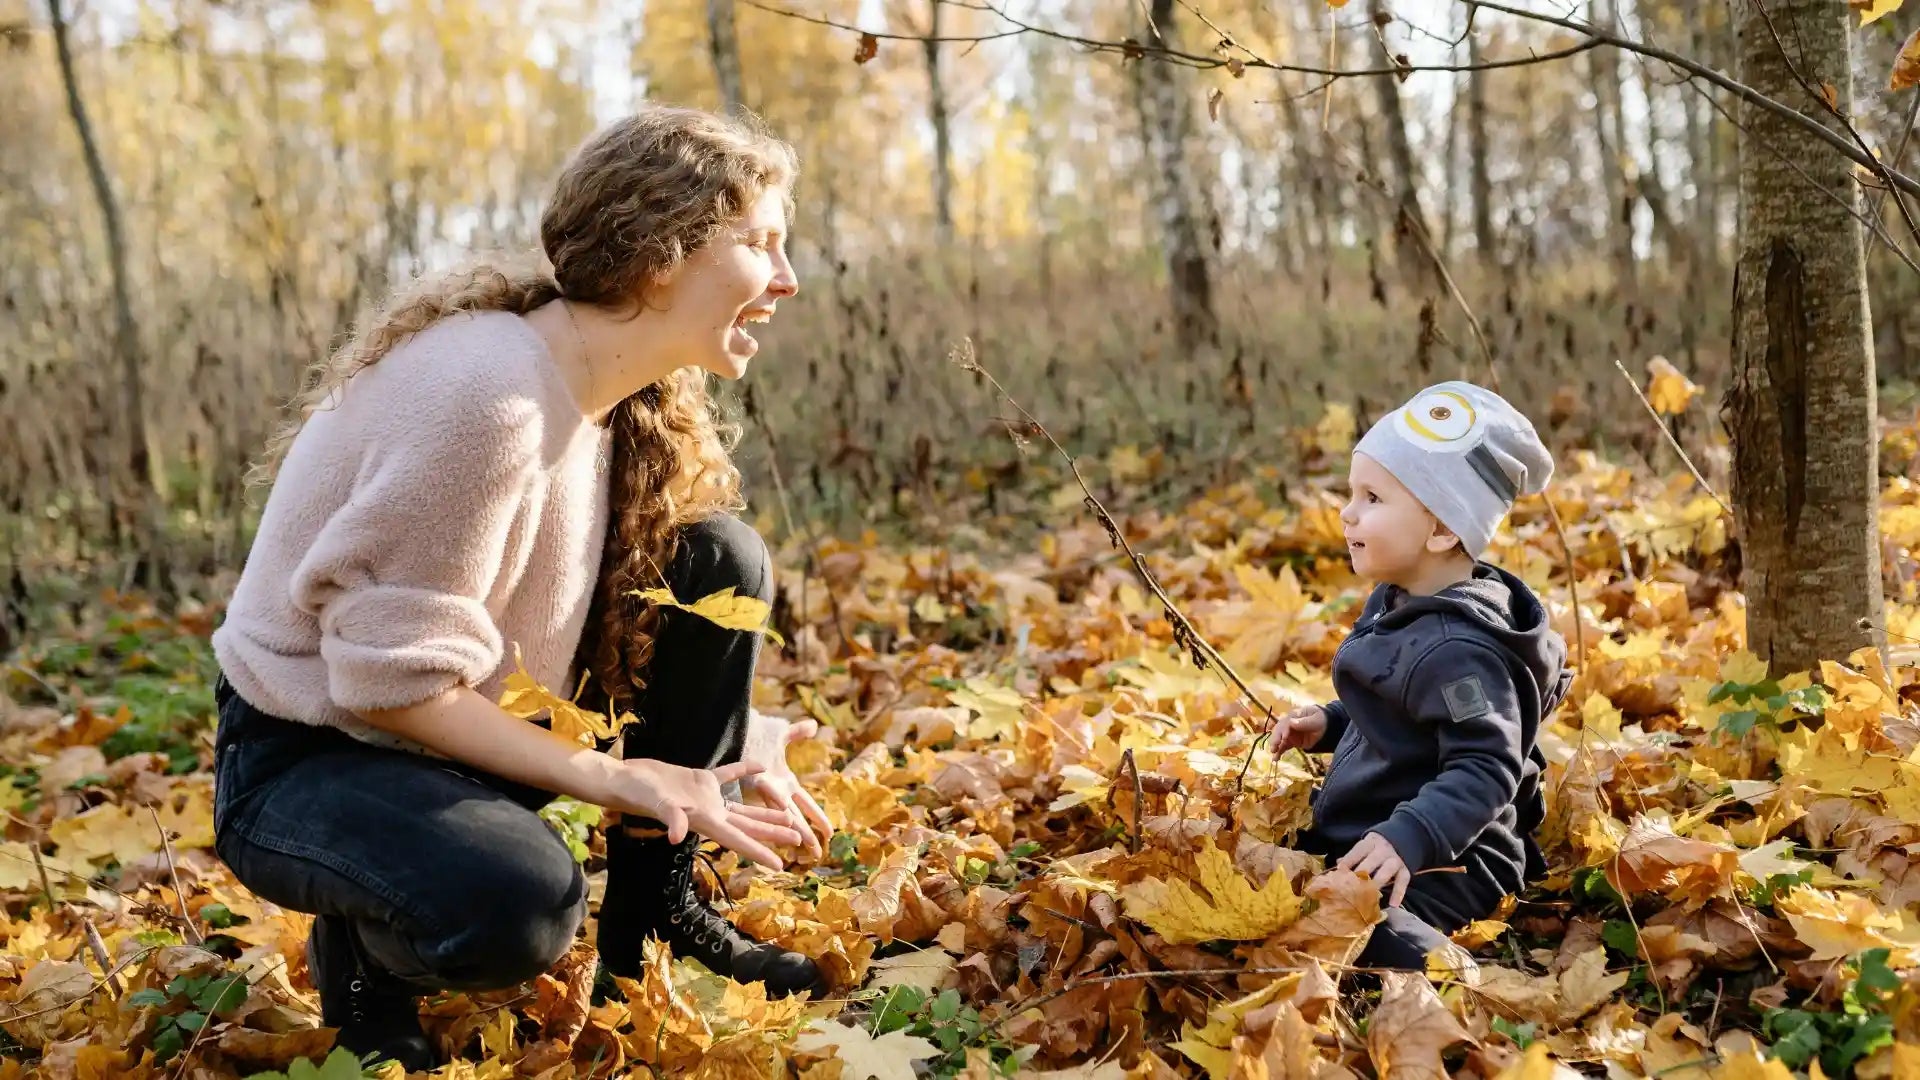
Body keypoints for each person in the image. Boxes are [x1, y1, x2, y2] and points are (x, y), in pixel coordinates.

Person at [209, 107, 835, 1072]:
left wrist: (734, 738)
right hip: (308, 759)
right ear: (660, 254)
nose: (786, 279)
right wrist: (619, 776)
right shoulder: (489, 400)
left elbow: (557, 619)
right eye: (759, 243)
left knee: (715, 558)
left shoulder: (610, 392)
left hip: (448, 731)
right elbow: (387, 687)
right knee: (521, 902)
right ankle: (368, 956)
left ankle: (651, 932)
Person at [1268, 381, 1572, 972]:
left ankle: (1455, 977)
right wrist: (1331, 723)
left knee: (1360, 930)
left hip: (1454, 855)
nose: (1346, 512)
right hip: (1385, 829)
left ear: (1440, 530)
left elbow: (1486, 764)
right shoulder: (1400, 600)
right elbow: (1405, 711)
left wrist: (1412, 835)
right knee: (1294, 895)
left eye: (1373, 498)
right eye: (1351, 493)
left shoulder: (1460, 653)